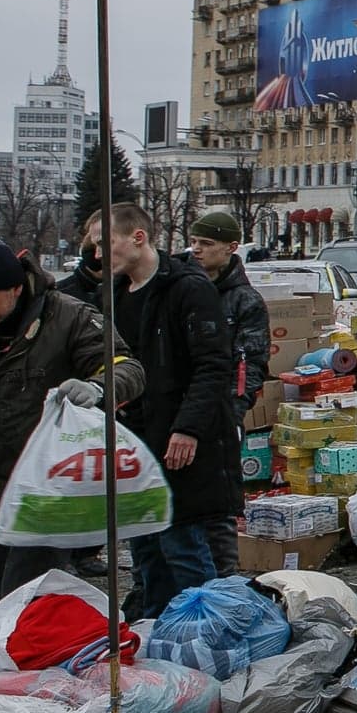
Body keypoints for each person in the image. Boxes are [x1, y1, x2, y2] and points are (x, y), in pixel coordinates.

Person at [0, 235, 144, 605]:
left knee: (21, 594)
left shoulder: (68, 316)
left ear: (16, 288)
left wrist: (98, 388)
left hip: (54, 485)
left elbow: (126, 367)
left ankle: (21, 654)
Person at [101, 204, 239, 616]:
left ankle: (210, 631)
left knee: (184, 546)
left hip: (178, 443)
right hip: (132, 442)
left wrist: (188, 429)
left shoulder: (187, 288)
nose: (98, 254)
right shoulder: (110, 294)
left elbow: (214, 366)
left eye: (105, 243)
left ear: (137, 238)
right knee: (145, 551)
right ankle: (156, 632)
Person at [186, 209, 269, 576]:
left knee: (220, 502)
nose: (196, 250)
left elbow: (251, 363)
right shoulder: (184, 288)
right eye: (193, 242)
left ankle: (226, 579)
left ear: (231, 247)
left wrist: (236, 408)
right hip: (184, 409)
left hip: (222, 413)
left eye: (206, 243)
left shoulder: (243, 301)